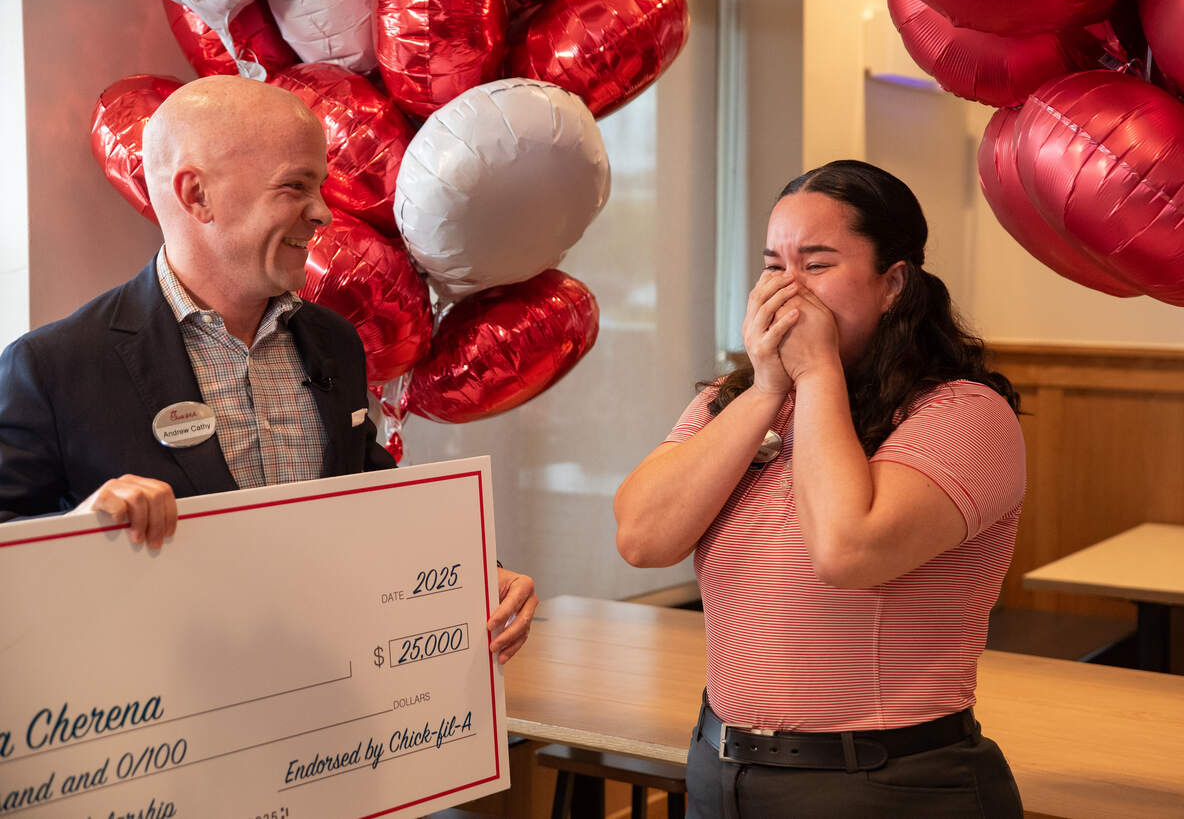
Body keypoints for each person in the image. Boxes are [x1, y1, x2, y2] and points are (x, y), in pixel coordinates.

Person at [0, 75, 536, 663]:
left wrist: (480, 570)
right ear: (196, 195)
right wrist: (77, 532)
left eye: (322, 186)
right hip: (155, 735)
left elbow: (375, 498)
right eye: (296, 187)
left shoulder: (333, 342)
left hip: (320, 714)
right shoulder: (52, 368)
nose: (325, 213)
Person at [614, 160, 1025, 817]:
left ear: (893, 283)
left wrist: (816, 371)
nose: (788, 291)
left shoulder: (965, 413)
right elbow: (641, 536)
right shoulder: (738, 401)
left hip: (886, 784)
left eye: (817, 263)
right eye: (774, 265)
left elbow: (845, 550)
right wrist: (770, 387)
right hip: (723, 772)